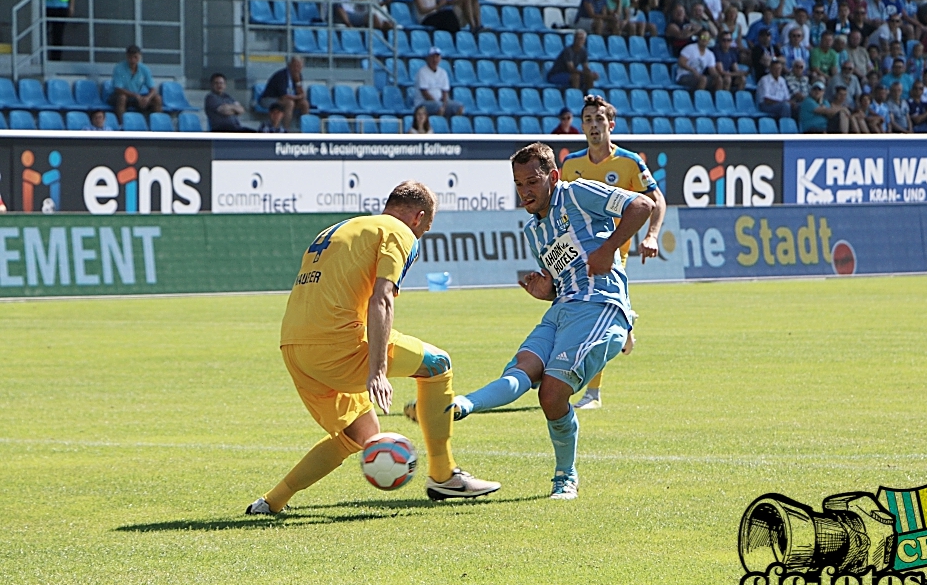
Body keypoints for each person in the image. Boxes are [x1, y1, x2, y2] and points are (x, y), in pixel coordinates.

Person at [245, 182, 501, 516]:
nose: (422, 234)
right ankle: (443, 476)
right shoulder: (399, 232)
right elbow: (380, 298)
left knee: (362, 432)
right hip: (336, 344)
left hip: (293, 347)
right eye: (426, 228)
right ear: (419, 217)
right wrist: (377, 371)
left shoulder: (341, 228)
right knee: (438, 364)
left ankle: (272, 501)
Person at [421, 143, 654, 500]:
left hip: (599, 302)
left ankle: (566, 477)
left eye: (532, 181)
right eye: (518, 184)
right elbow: (561, 281)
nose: (525, 191)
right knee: (522, 369)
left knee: (551, 393)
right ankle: (461, 406)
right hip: (562, 308)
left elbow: (642, 205)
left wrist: (608, 249)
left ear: (553, 177)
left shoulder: (577, 193)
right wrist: (545, 290)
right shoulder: (533, 230)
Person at [555, 94, 665, 410]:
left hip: (615, 252)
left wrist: (652, 235)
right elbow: (560, 210)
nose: (593, 125)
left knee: (593, 318)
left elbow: (656, 199)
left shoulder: (630, 162)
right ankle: (624, 319)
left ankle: (593, 393)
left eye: (599, 119)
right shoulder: (571, 164)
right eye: (587, 120)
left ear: (610, 124)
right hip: (577, 254)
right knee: (575, 316)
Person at [111, 45, 163, 122]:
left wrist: (147, 98)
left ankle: (158, 124)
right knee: (122, 98)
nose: (133, 60)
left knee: (157, 98)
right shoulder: (119, 68)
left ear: (140, 57)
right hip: (120, 96)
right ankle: (122, 124)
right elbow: (118, 89)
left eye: (135, 57)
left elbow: (152, 88)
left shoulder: (144, 69)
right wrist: (136, 95)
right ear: (127, 57)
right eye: (130, 57)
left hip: (137, 97)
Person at [259, 56, 311, 128]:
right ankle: (286, 129)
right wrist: (299, 96)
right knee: (290, 103)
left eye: (300, 67)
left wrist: (298, 82)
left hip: (288, 99)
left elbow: (302, 95)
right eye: (295, 66)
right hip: (270, 99)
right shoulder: (281, 76)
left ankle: (305, 128)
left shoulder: (298, 76)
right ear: (290, 65)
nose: (297, 69)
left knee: (304, 103)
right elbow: (284, 96)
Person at [415, 47, 464, 117]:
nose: (434, 59)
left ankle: (452, 125)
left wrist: (444, 104)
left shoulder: (443, 72)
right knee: (439, 107)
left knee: (459, 107)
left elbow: (445, 92)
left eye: (437, 57)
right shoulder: (422, 72)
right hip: (424, 103)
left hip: (440, 102)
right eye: (432, 57)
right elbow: (424, 92)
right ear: (428, 58)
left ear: (440, 58)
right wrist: (438, 104)